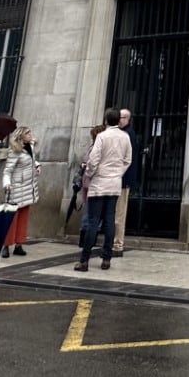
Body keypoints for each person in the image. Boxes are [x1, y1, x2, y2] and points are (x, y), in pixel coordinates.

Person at [74, 108, 130, 272]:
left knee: (93, 221)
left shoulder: (102, 137)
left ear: (106, 120)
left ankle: (84, 260)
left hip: (99, 183)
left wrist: (90, 174)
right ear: (118, 120)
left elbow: (93, 160)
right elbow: (128, 160)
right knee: (109, 220)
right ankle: (106, 258)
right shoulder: (124, 137)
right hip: (114, 183)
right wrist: (118, 173)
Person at [0, 125, 37, 259]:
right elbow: (8, 170)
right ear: (21, 136)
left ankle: (19, 244)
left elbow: (31, 162)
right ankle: (6, 246)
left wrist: (37, 166)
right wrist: (6, 183)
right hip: (15, 187)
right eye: (27, 133)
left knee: (23, 218)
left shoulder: (30, 148)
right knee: (12, 219)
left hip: (27, 187)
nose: (30, 134)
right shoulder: (15, 151)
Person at [114, 107, 141, 256]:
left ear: (128, 119)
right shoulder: (122, 133)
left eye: (123, 117)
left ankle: (118, 244)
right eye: (119, 117)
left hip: (123, 180)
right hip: (118, 179)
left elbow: (126, 159)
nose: (120, 119)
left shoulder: (128, 135)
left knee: (120, 213)